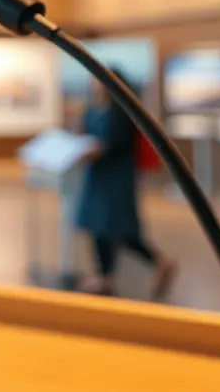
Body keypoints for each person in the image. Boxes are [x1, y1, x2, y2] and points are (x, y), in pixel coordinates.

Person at [76, 71, 176, 299]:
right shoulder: (92, 110)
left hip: (116, 178)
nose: (95, 85)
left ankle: (158, 262)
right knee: (97, 226)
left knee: (119, 229)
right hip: (98, 177)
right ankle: (105, 276)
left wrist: (92, 150)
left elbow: (112, 144)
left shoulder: (121, 113)